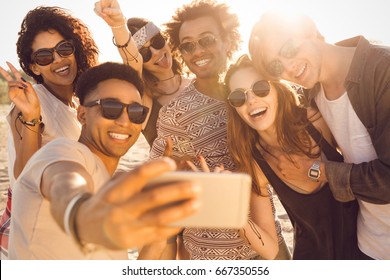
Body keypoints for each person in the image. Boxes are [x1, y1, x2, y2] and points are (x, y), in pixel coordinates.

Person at [8, 62, 201, 260]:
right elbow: (64, 182)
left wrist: (161, 231)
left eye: (136, 112)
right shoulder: (62, 152)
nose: (124, 121)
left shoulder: (111, 198)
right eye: (111, 108)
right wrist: (80, 215)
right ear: (82, 114)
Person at [149, 0, 288, 260]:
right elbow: (158, 187)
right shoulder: (175, 113)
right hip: (212, 256)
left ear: (227, 39)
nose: (197, 51)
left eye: (207, 40)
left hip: (269, 241)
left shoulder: (257, 91)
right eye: (187, 45)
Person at [249, 11, 390, 259]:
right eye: (275, 65)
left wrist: (316, 171)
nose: (288, 66)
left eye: (289, 48)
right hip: (367, 244)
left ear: (312, 30)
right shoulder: (312, 95)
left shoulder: (383, 70)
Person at [224, 54, 360, 259]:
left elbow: (368, 170)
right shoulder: (257, 163)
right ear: (235, 109)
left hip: (367, 250)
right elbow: (269, 249)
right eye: (238, 97)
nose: (251, 100)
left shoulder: (316, 122)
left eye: (260, 88)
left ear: (277, 90)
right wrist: (233, 214)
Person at [0, 6, 99, 259]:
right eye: (45, 56)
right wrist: (32, 117)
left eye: (64, 48)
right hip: (36, 240)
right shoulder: (31, 104)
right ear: (34, 67)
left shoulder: (77, 105)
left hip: (67, 228)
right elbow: (23, 176)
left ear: (76, 50)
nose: (58, 60)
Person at [94, 0, 191, 146]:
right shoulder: (144, 98)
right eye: (144, 53)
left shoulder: (196, 82)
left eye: (157, 41)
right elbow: (131, 60)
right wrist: (118, 24)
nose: (156, 53)